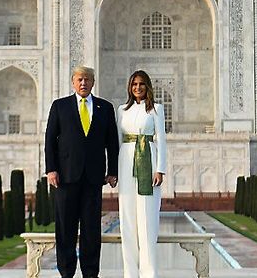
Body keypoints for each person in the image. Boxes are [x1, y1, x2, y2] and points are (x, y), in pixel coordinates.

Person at [45, 66, 119, 278]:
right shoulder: (60, 106)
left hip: (93, 178)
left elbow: (112, 143)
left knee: (91, 230)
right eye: (79, 79)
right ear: (73, 82)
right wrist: (51, 169)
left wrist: (112, 170)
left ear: (93, 82)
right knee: (65, 228)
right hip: (66, 177)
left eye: (87, 79)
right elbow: (50, 140)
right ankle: (66, 272)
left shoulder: (104, 107)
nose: (83, 83)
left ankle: (90, 273)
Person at [116, 70, 167, 278]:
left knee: (147, 221)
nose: (138, 87)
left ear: (147, 87)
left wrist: (160, 169)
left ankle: (149, 274)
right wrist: (114, 170)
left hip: (148, 160)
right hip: (126, 161)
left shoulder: (156, 109)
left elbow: (161, 139)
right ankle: (130, 274)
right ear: (130, 87)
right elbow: (118, 140)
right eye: (134, 84)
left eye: (142, 84)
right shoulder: (122, 110)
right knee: (127, 220)